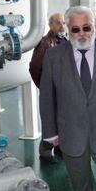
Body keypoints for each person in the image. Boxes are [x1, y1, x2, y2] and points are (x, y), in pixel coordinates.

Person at [39, 6, 96, 191]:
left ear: (95, 26)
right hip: (71, 133)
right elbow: (47, 96)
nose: (81, 33)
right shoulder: (53, 56)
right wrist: (51, 132)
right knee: (80, 185)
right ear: (67, 28)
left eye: (87, 27)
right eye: (75, 29)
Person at [29, 13, 67, 163]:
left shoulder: (66, 41)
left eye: (63, 22)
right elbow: (34, 68)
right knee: (49, 120)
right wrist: (44, 87)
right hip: (51, 91)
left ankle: (60, 149)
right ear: (50, 25)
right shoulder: (45, 43)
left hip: (64, 92)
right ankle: (45, 153)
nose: (62, 26)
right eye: (58, 23)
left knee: (63, 120)